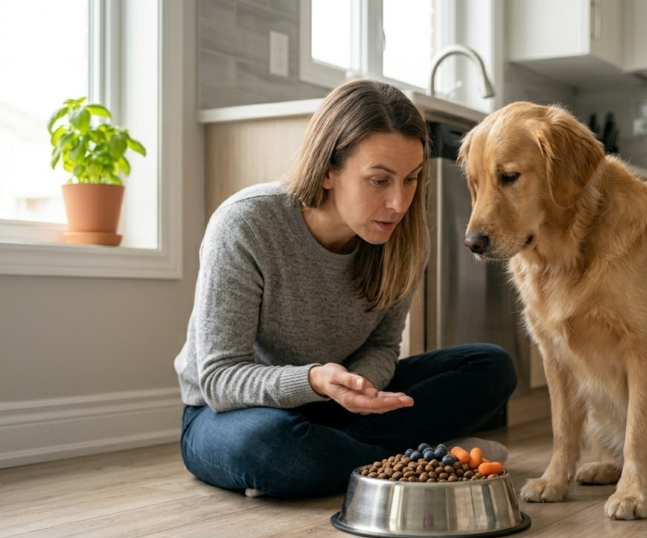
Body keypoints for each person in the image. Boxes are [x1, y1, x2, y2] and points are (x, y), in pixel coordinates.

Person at [175, 79, 517, 498]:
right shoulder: (246, 225)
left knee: (490, 367)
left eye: (411, 179)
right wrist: (315, 381)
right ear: (326, 171)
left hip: (338, 407)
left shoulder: (405, 238)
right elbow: (220, 377)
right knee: (270, 446)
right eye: (379, 180)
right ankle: (423, 459)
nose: (399, 203)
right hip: (233, 414)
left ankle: (347, 458)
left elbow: (382, 348)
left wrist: (356, 386)